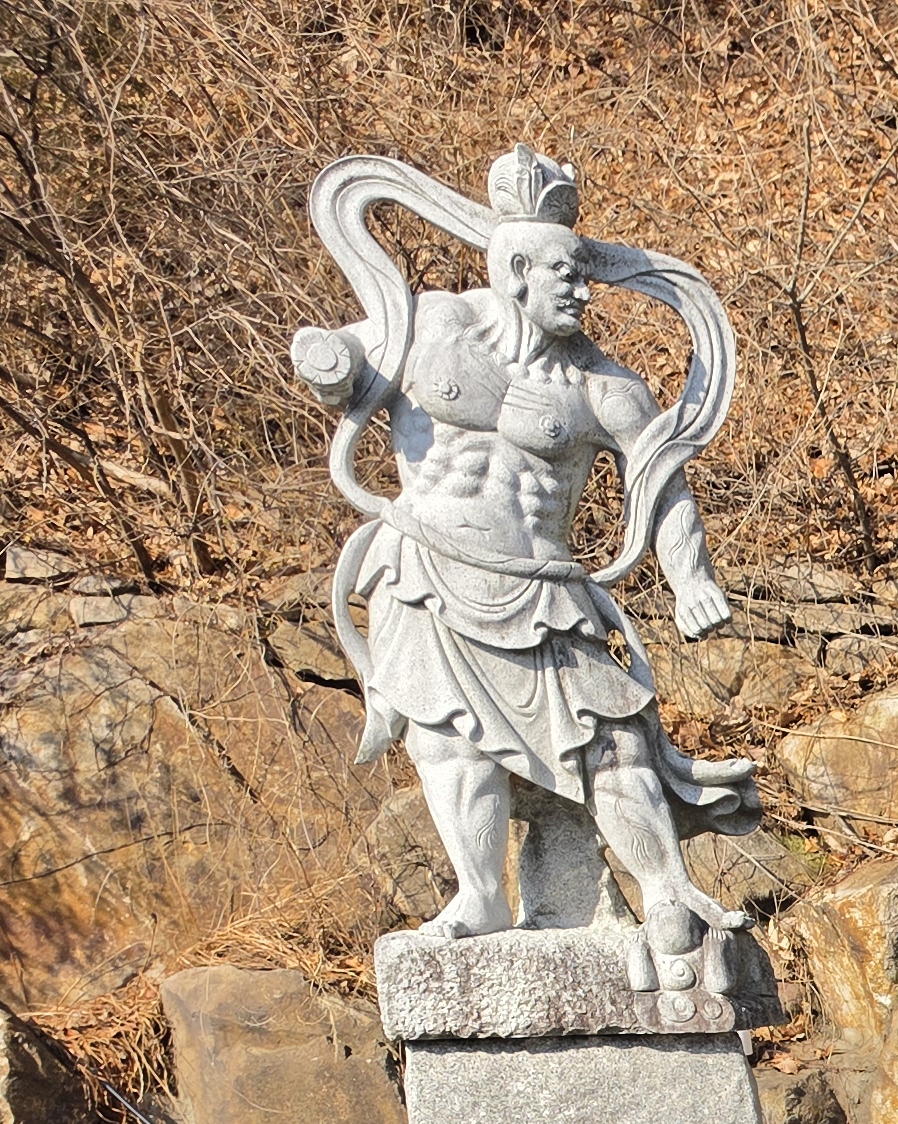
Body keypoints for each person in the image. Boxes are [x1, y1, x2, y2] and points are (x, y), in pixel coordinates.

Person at [295, 147, 754, 987]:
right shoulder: (429, 327)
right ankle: (479, 895)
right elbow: (347, 364)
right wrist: (326, 363)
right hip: (429, 570)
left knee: (612, 739)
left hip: (543, 586)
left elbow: (664, 484)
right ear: (515, 272)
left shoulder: (604, 387)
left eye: (586, 275)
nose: (584, 292)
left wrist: (692, 578)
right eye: (566, 275)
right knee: (446, 739)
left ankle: (665, 890)